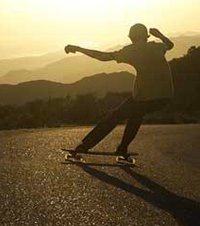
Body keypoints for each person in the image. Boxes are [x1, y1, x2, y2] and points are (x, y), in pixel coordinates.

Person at [63, 23, 174, 163]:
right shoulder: (156, 46)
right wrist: (159, 35)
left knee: (115, 117)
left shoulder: (132, 51)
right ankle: (122, 149)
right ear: (145, 37)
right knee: (136, 115)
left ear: (132, 37)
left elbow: (103, 56)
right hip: (165, 97)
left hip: (144, 97)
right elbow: (170, 45)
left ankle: (83, 147)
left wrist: (78, 48)